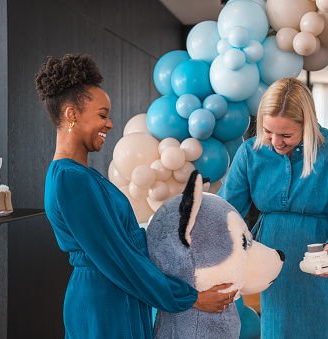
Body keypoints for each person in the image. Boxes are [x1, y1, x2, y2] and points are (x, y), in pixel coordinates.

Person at [36, 54, 236, 338]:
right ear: (72, 115)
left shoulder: (79, 175)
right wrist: (192, 298)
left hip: (113, 293)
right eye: (102, 115)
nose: (110, 124)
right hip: (105, 302)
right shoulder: (71, 179)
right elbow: (120, 258)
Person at [218, 77, 328, 339]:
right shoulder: (249, 153)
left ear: (306, 125)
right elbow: (224, 214)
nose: (275, 142)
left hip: (327, 272)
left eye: (286, 134)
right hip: (278, 275)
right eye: (268, 131)